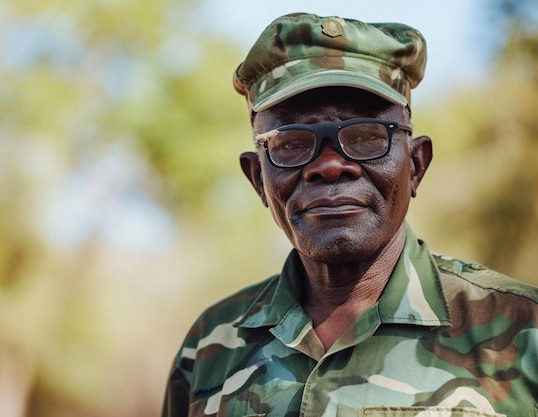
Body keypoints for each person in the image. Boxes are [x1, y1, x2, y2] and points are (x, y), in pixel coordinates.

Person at [162, 13, 538, 417]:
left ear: (415, 165)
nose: (328, 165)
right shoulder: (208, 348)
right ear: (258, 180)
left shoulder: (524, 331)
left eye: (365, 137)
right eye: (290, 143)